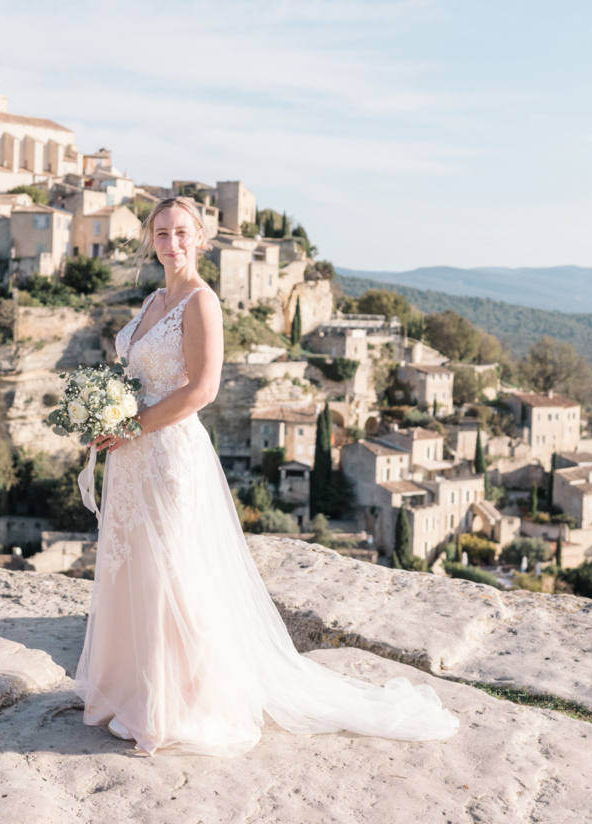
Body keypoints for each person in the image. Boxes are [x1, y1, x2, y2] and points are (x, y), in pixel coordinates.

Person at [77, 196, 458, 756]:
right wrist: (104, 412)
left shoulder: (202, 303)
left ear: (201, 238)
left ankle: (177, 703)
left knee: (173, 573)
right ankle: (132, 690)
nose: (172, 242)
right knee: (134, 566)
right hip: (133, 455)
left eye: (182, 232)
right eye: (161, 233)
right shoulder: (155, 300)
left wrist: (133, 425)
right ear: (150, 241)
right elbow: (136, 375)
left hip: (168, 452)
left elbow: (202, 390)